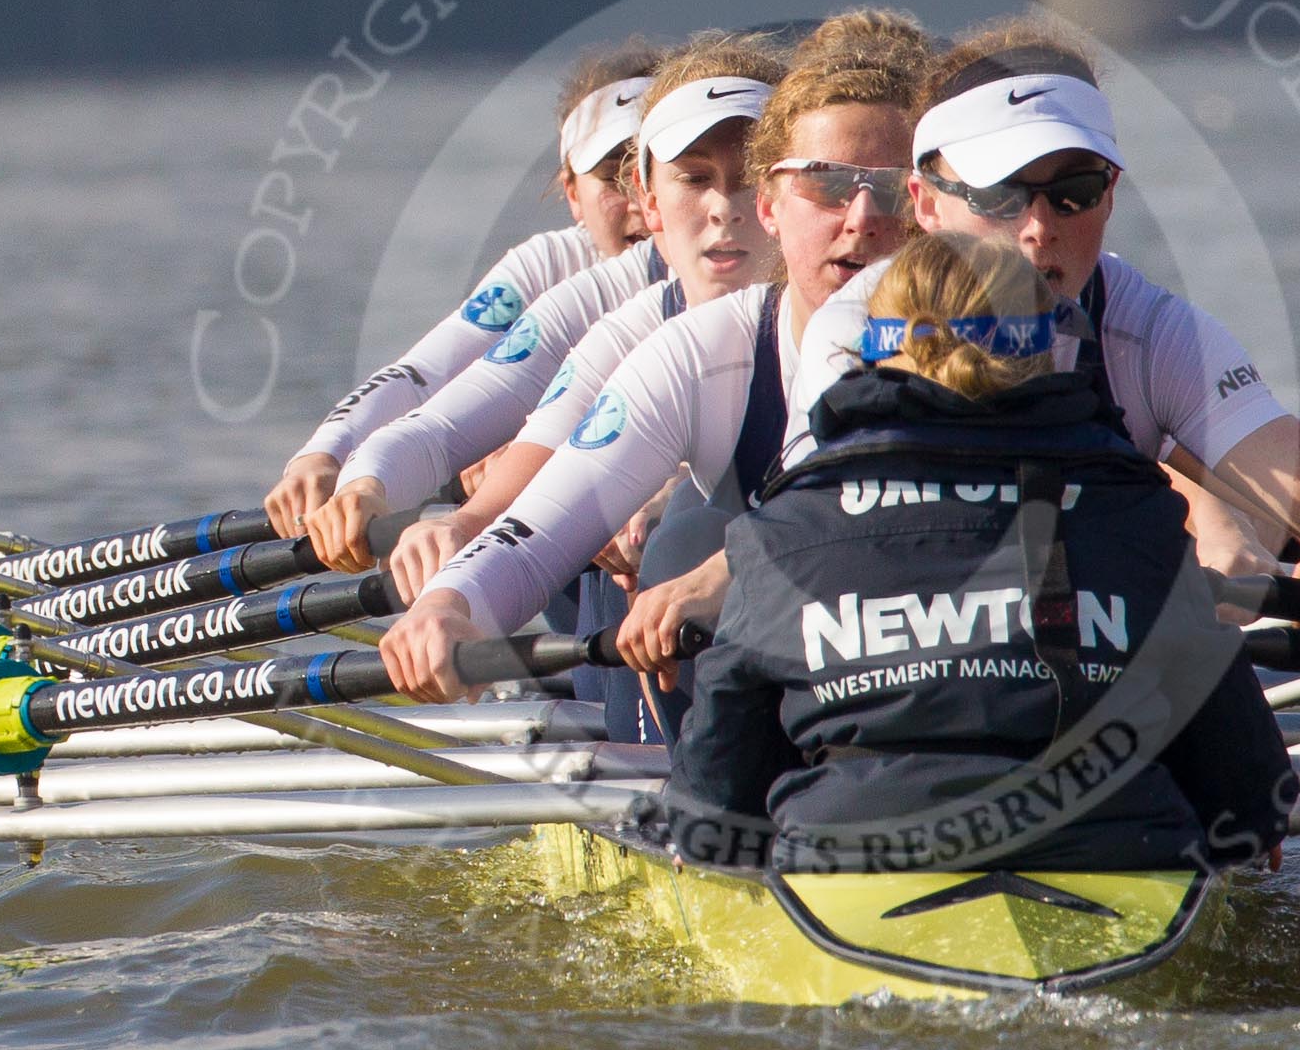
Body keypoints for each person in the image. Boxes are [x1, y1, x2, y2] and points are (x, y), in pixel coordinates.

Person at [777, 18, 1300, 693]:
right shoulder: (855, 329)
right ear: (926, 203)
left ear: (1111, 192)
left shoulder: (1154, 333)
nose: (1039, 228)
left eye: (1075, 191)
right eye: (1001, 193)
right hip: (901, 653)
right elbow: (812, 547)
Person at [654, 234, 1297, 873]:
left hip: (855, 863)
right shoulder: (1136, 512)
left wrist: (702, 832)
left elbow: (717, 797)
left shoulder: (786, 527)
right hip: (1116, 853)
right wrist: (1250, 824)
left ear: (870, 353)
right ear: (1050, 353)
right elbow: (1243, 783)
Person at [377, 43, 928, 735]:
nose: (859, 221)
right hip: (787, 694)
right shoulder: (694, 348)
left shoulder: (997, 335)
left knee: (690, 535)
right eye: (824, 186)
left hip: (930, 666)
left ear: (925, 207)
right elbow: (540, 524)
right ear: (775, 204)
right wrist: (451, 604)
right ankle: (678, 784)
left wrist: (730, 570)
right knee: (681, 540)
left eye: (884, 188)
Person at [303, 33, 786, 574]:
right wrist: (357, 478)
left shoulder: (848, 300)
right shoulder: (583, 293)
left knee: (676, 524)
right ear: (645, 192)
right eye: (691, 177)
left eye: (745, 177)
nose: (721, 206)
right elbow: (432, 405)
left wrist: (665, 489)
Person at [265, 40, 660, 538]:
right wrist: (325, 456)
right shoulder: (550, 267)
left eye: (654, 171)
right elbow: (422, 377)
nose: (640, 203)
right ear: (572, 194)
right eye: (612, 179)